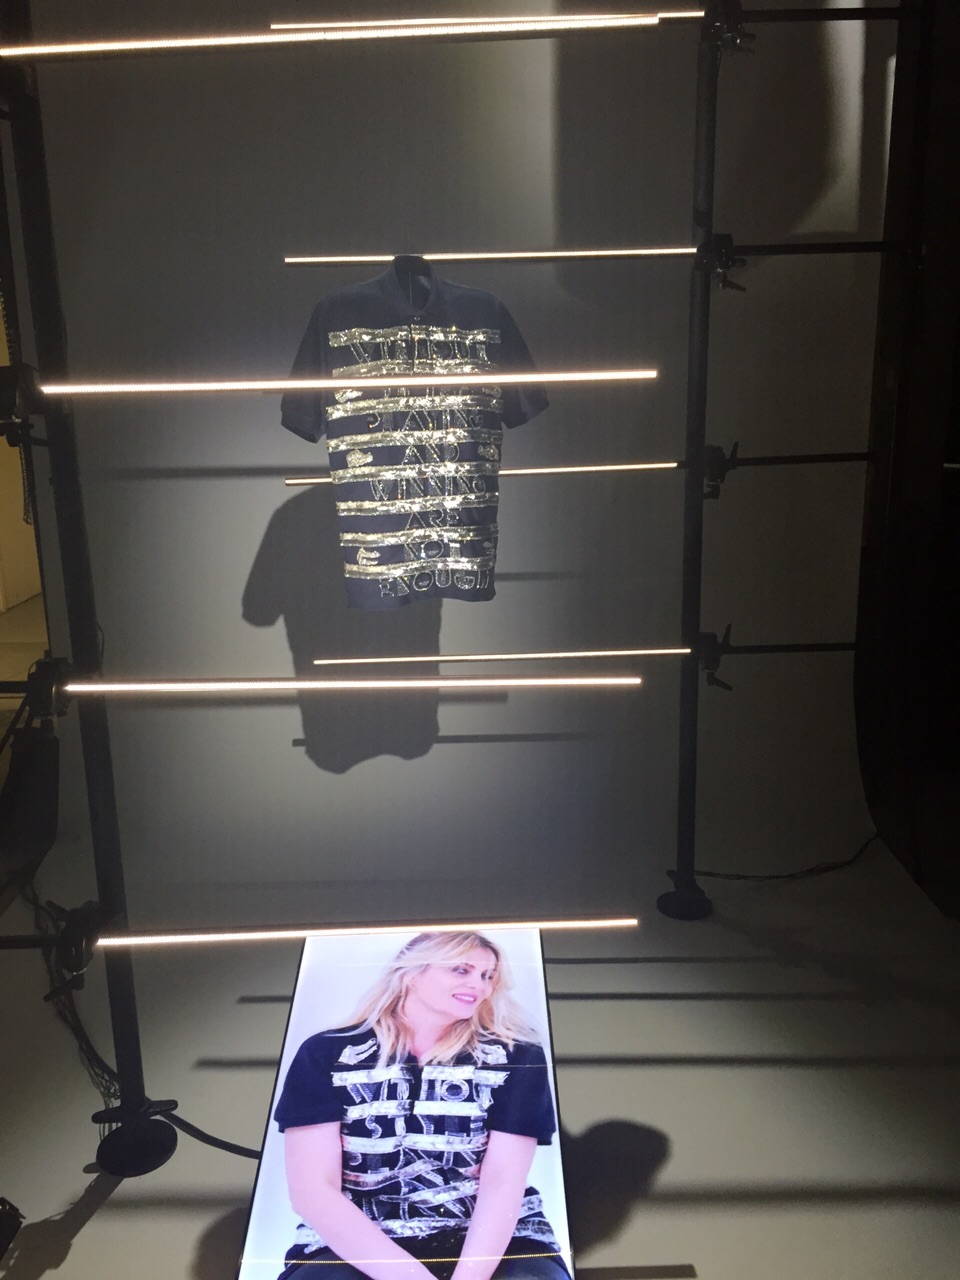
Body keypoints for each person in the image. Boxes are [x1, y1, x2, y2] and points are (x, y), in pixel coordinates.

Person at [273, 931, 570, 1280]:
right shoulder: (326, 1053)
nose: (479, 985)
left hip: (495, 1244)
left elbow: (502, 1182)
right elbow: (313, 1191)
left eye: (488, 976)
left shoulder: (516, 1056)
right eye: (461, 970)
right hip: (355, 1242)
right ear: (411, 974)